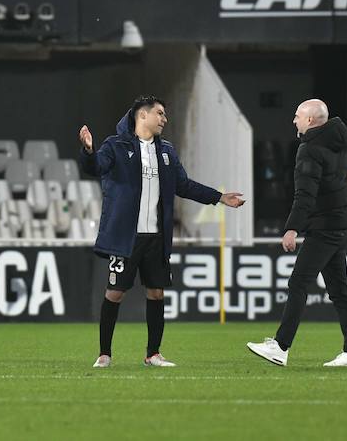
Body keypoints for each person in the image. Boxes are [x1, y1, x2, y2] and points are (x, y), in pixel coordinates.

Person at [81, 97, 243, 369]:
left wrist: (219, 197)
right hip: (126, 237)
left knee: (157, 293)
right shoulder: (115, 146)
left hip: (157, 237)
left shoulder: (166, 150)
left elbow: (184, 185)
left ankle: (153, 354)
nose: (164, 119)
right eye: (160, 113)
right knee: (115, 293)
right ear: (141, 116)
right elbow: (94, 167)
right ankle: (104, 353)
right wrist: (88, 151)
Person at [247, 99, 347, 368]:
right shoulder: (342, 139)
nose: (294, 120)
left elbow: (304, 195)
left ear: (310, 121)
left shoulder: (309, 149)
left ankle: (280, 346)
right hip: (342, 221)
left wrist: (291, 228)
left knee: (299, 283)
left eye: (297, 115)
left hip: (324, 227)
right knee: (339, 291)